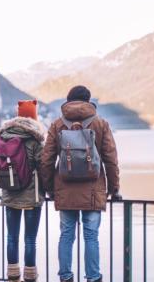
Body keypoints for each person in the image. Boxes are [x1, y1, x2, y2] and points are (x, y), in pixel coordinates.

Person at [40, 86, 120, 282]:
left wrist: (50, 189)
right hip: (93, 190)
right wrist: (114, 189)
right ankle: (93, 277)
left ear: (68, 100)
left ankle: (66, 277)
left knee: (66, 235)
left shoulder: (58, 124)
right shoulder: (100, 124)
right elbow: (110, 159)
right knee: (91, 236)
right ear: (88, 100)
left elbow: (47, 160)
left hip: (65, 190)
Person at [0, 99, 46, 282]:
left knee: (11, 237)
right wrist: (48, 190)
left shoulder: (4, 136)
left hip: (9, 194)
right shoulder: (35, 140)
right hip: (32, 196)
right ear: (34, 117)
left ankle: (12, 274)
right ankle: (30, 275)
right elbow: (43, 168)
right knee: (30, 239)